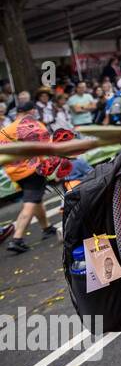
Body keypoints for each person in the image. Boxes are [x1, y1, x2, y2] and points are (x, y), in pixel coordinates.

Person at [1, 102, 58, 255]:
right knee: (30, 202)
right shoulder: (33, 125)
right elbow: (47, 144)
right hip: (32, 169)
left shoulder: (6, 130)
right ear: (31, 111)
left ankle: (46, 227)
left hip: (14, 172)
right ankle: (17, 239)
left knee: (36, 200)